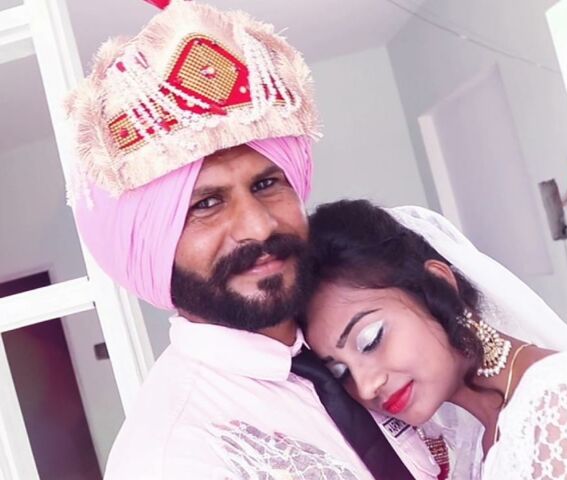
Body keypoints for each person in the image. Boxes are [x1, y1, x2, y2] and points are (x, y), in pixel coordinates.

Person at [65, 1, 444, 478]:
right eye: (206, 204)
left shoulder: (369, 325)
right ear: (149, 246)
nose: (259, 227)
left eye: (266, 184)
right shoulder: (173, 458)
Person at [303, 199, 567, 479]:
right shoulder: (476, 442)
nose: (366, 386)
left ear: (438, 285)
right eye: (341, 371)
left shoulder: (560, 402)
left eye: (370, 340)